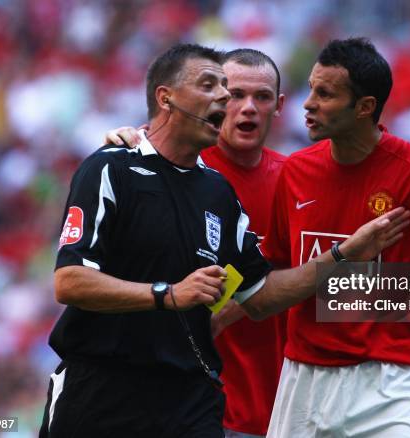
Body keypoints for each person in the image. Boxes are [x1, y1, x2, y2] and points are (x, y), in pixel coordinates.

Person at [41, 42, 410, 437]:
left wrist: (347, 257)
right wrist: (173, 295)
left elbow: (264, 293)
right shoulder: (116, 164)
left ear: (279, 105)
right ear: (167, 98)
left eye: (260, 96)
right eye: (226, 91)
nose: (235, 102)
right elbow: (69, 280)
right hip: (113, 390)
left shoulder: (245, 189)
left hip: (236, 405)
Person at [260, 38, 410, 437]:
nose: (307, 103)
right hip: (305, 375)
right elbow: (274, 281)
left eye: (325, 93)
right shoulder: (295, 172)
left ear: (365, 107)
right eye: (312, 89)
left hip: (393, 379)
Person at [105, 48, 288, 437]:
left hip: (278, 410)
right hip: (183, 406)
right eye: (235, 94)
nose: (247, 108)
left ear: (279, 106)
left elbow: (329, 284)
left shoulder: (296, 184)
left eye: (262, 97)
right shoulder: (157, 167)